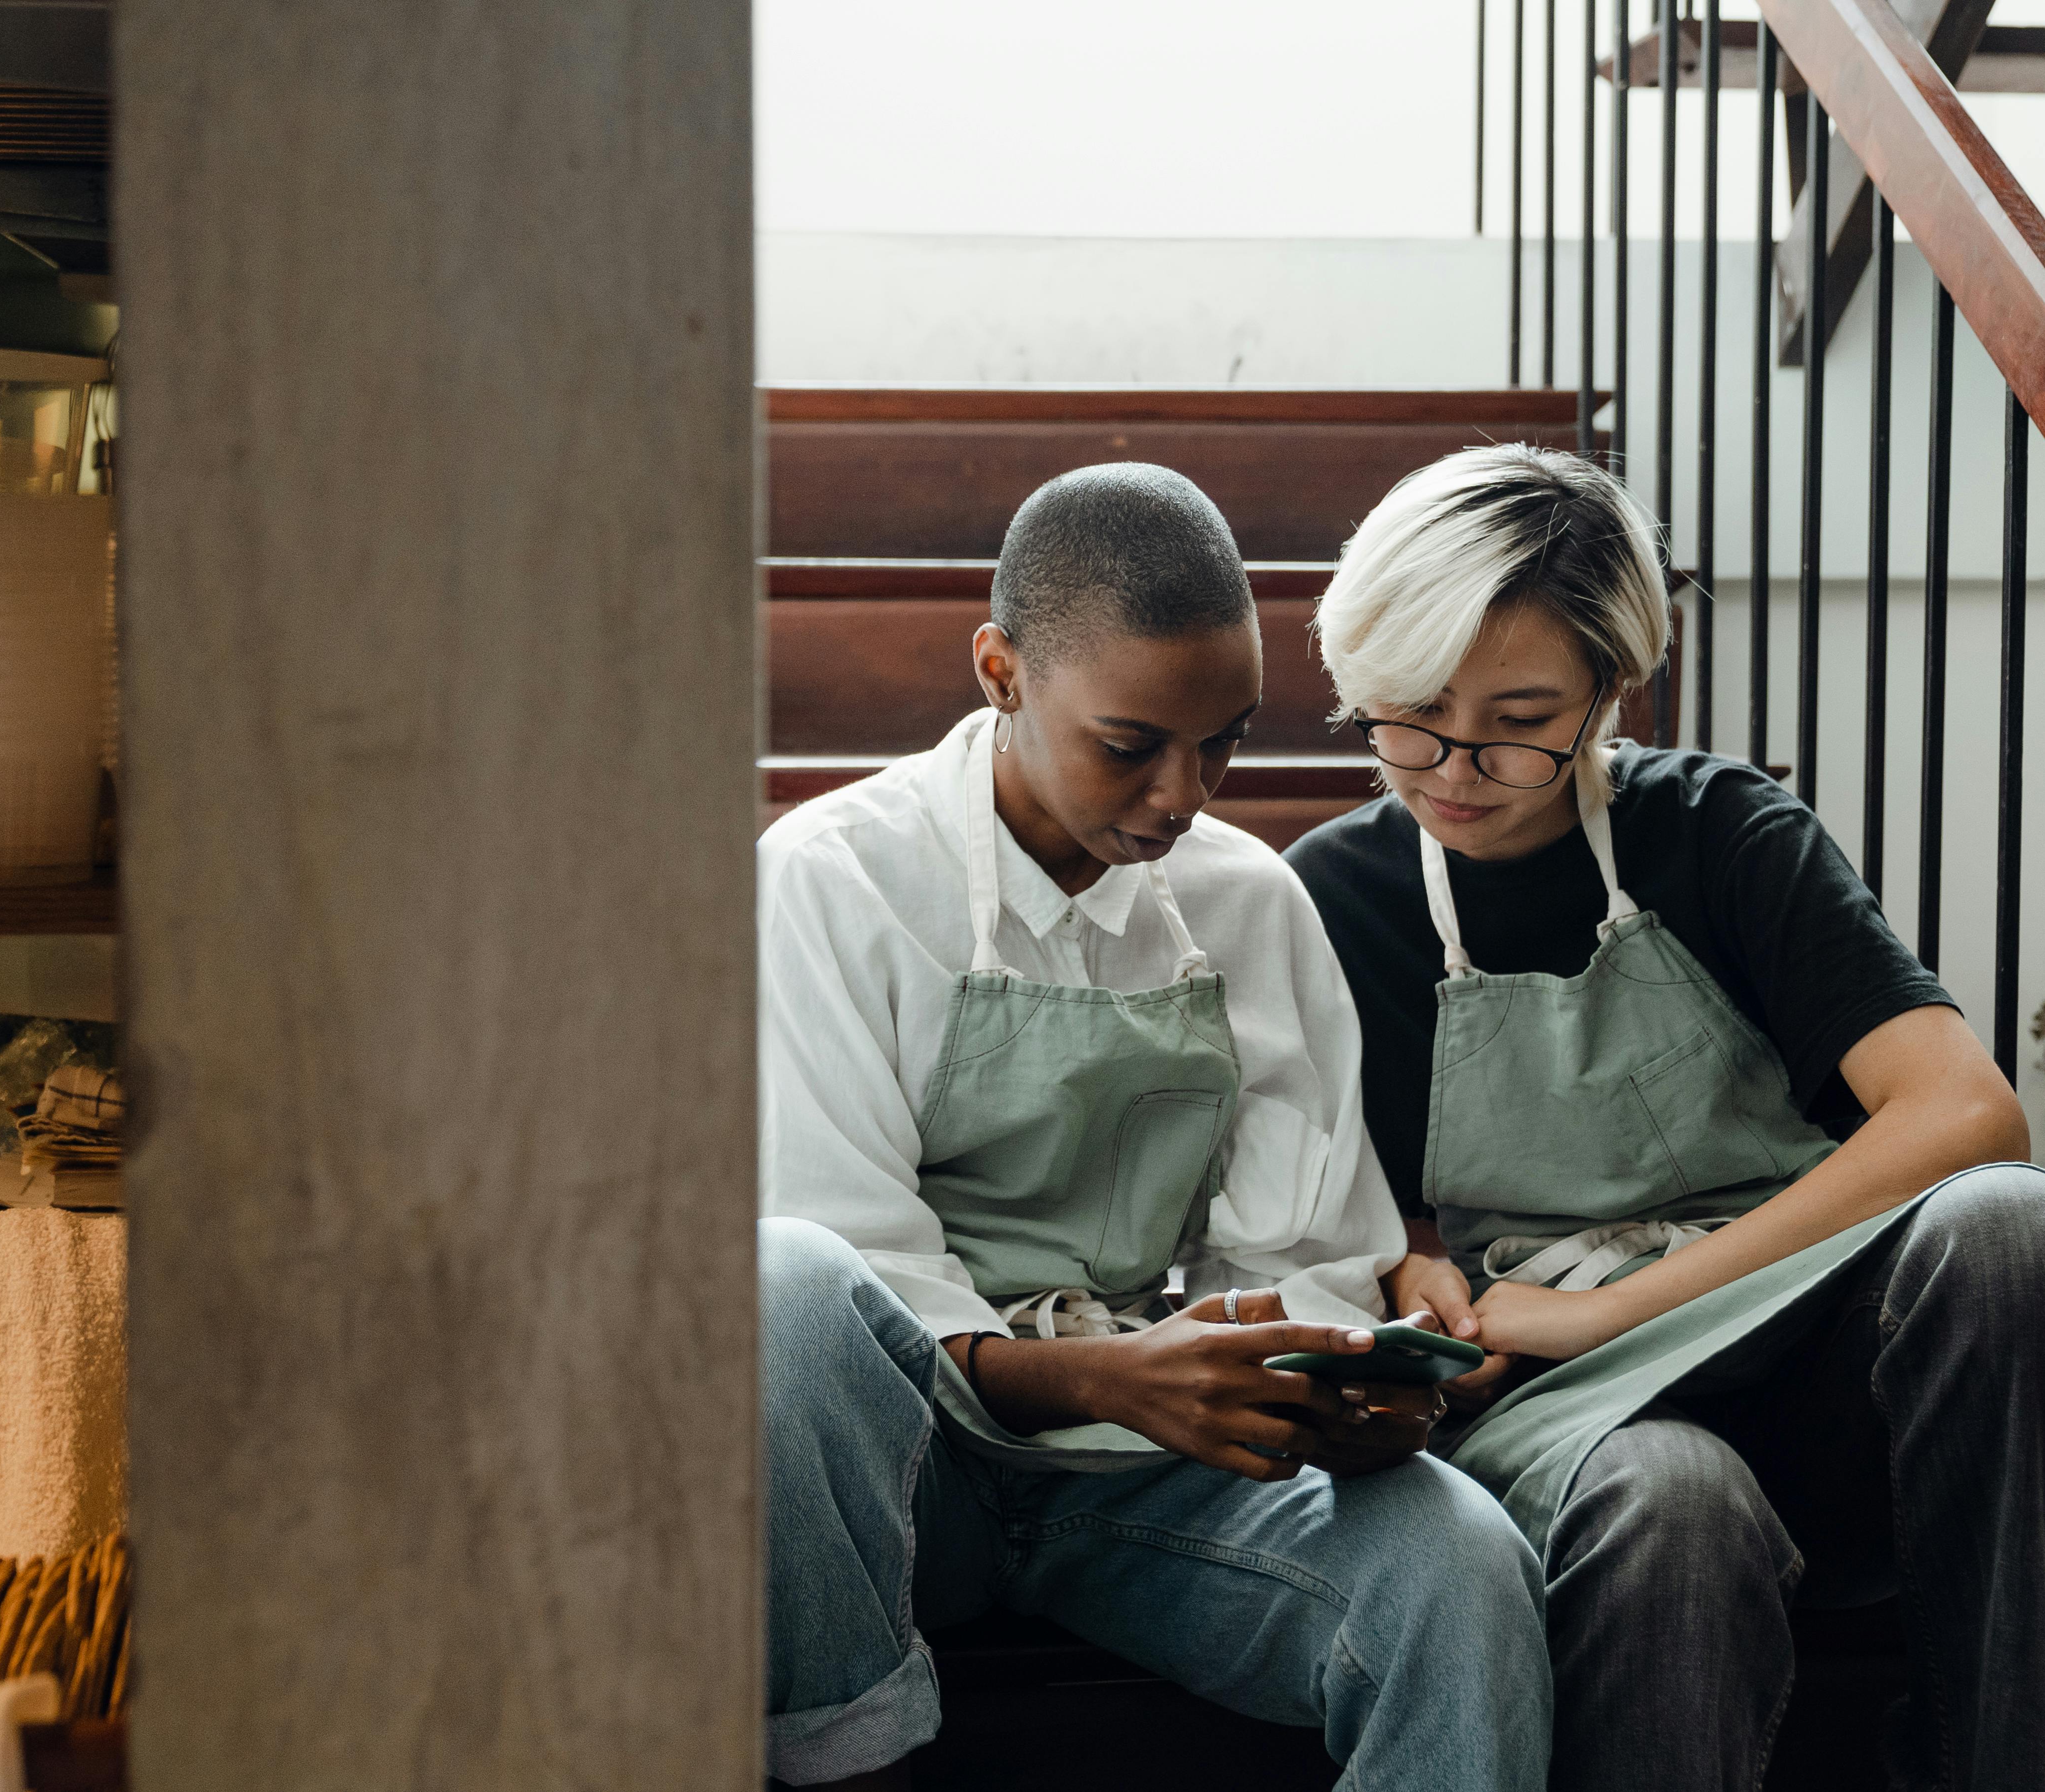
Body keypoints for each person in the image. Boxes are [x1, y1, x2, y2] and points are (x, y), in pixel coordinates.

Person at [759, 463, 1554, 1792]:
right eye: (1130, 744)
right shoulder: (830, 881)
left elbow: (1297, 1255)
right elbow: (841, 1303)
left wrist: (1329, 1389)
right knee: (780, 1288)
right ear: (1000, 670)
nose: (1186, 793)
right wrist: (1098, 1375)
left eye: (1227, 739)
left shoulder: (1249, 901)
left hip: (1145, 1465)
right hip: (893, 1483)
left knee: (1458, 1562)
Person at [1286, 442, 2045, 1792]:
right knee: (1673, 1502)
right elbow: (1336, 1218)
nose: (1454, 764)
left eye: (1521, 716)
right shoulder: (1326, 898)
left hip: (1801, 1348)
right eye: (1407, 711)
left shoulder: (1723, 833)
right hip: (1571, 1409)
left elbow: (1967, 1119)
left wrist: (1608, 1308)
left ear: (1609, 688)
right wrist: (1413, 1271)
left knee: (2000, 1230)